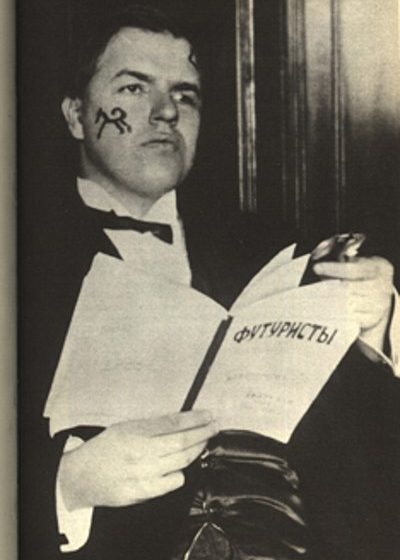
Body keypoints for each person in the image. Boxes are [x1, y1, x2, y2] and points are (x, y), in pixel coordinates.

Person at [19, 4, 400, 560]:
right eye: (134, 88)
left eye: (185, 94)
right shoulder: (21, 266)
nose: (166, 111)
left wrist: (380, 325)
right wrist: (66, 485)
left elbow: (366, 456)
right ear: (76, 115)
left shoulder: (276, 248)